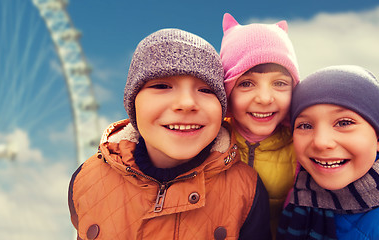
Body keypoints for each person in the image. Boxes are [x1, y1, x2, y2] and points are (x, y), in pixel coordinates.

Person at [68, 28, 271, 240]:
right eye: (162, 86)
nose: (186, 103)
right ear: (133, 102)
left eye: (205, 90)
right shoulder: (86, 179)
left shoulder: (246, 191)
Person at [277, 65, 379, 240]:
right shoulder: (300, 194)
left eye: (344, 123)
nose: (320, 142)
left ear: (378, 137)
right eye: (305, 125)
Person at [219, 13, 300, 236]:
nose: (265, 98)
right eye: (246, 83)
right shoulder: (209, 142)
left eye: (280, 83)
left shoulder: (303, 145)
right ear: (226, 92)